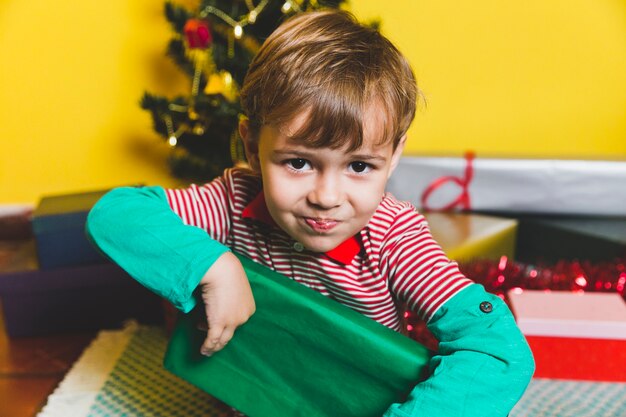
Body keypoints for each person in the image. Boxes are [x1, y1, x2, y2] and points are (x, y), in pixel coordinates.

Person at [86, 10, 534, 417]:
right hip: (253, 396)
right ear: (251, 144)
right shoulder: (231, 202)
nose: (326, 196)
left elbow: (498, 346)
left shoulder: (393, 235)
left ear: (393, 156)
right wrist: (214, 266)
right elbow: (117, 212)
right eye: (298, 162)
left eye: (359, 166)